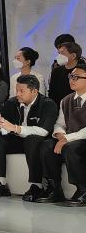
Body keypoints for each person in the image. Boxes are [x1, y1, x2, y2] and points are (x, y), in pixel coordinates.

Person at [0, 74, 59, 202]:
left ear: (34, 91)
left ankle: (36, 185)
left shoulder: (48, 104)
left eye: (22, 91)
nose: (18, 94)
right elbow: (6, 128)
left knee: (32, 139)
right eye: (16, 90)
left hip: (37, 141)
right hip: (16, 139)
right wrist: (1, 125)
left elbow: (43, 131)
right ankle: (0, 182)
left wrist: (15, 128)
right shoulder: (11, 103)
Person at [33, 62, 86, 205]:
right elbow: (60, 123)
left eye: (76, 77)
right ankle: (54, 188)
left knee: (71, 148)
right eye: (71, 76)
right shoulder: (66, 100)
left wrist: (66, 139)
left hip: (81, 139)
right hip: (69, 139)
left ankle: (83, 189)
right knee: (46, 145)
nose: (71, 80)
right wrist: (60, 135)